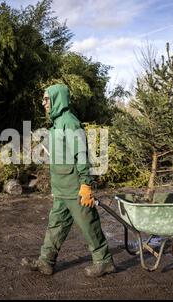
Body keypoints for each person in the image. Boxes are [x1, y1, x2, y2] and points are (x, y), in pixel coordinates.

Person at [21, 84, 115, 278]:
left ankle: (104, 261)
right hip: (62, 187)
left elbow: (81, 154)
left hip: (75, 187)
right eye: (44, 99)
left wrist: (86, 184)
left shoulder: (70, 122)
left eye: (47, 99)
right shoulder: (56, 124)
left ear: (57, 99)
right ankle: (46, 261)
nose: (43, 103)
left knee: (89, 224)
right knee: (56, 224)